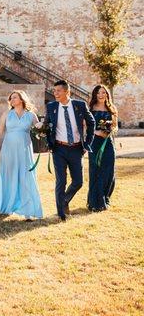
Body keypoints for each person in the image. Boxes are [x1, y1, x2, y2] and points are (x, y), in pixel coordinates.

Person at [44, 79, 95, 221]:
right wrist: (49, 143)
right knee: (61, 181)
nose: (55, 93)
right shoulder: (51, 106)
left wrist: (87, 143)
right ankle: (61, 213)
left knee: (78, 181)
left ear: (67, 91)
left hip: (76, 149)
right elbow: (46, 127)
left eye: (58, 91)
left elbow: (91, 123)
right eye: (54, 91)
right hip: (59, 148)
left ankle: (65, 200)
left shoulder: (80, 105)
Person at [0, 91, 43, 220]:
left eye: (14, 97)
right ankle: (8, 206)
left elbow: (39, 130)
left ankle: (28, 210)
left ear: (21, 99)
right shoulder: (7, 114)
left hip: (24, 149)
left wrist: (42, 131)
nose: (11, 100)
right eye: (10, 98)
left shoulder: (31, 115)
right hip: (8, 149)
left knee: (25, 176)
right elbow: (0, 130)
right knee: (9, 175)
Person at [87, 84, 118, 212]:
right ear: (95, 95)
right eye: (98, 93)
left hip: (108, 143)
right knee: (96, 170)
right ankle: (95, 202)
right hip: (95, 143)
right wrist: (96, 132)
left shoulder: (112, 109)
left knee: (108, 170)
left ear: (107, 95)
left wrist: (110, 130)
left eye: (103, 93)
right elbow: (86, 126)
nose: (101, 95)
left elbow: (116, 126)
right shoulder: (90, 109)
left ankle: (105, 198)